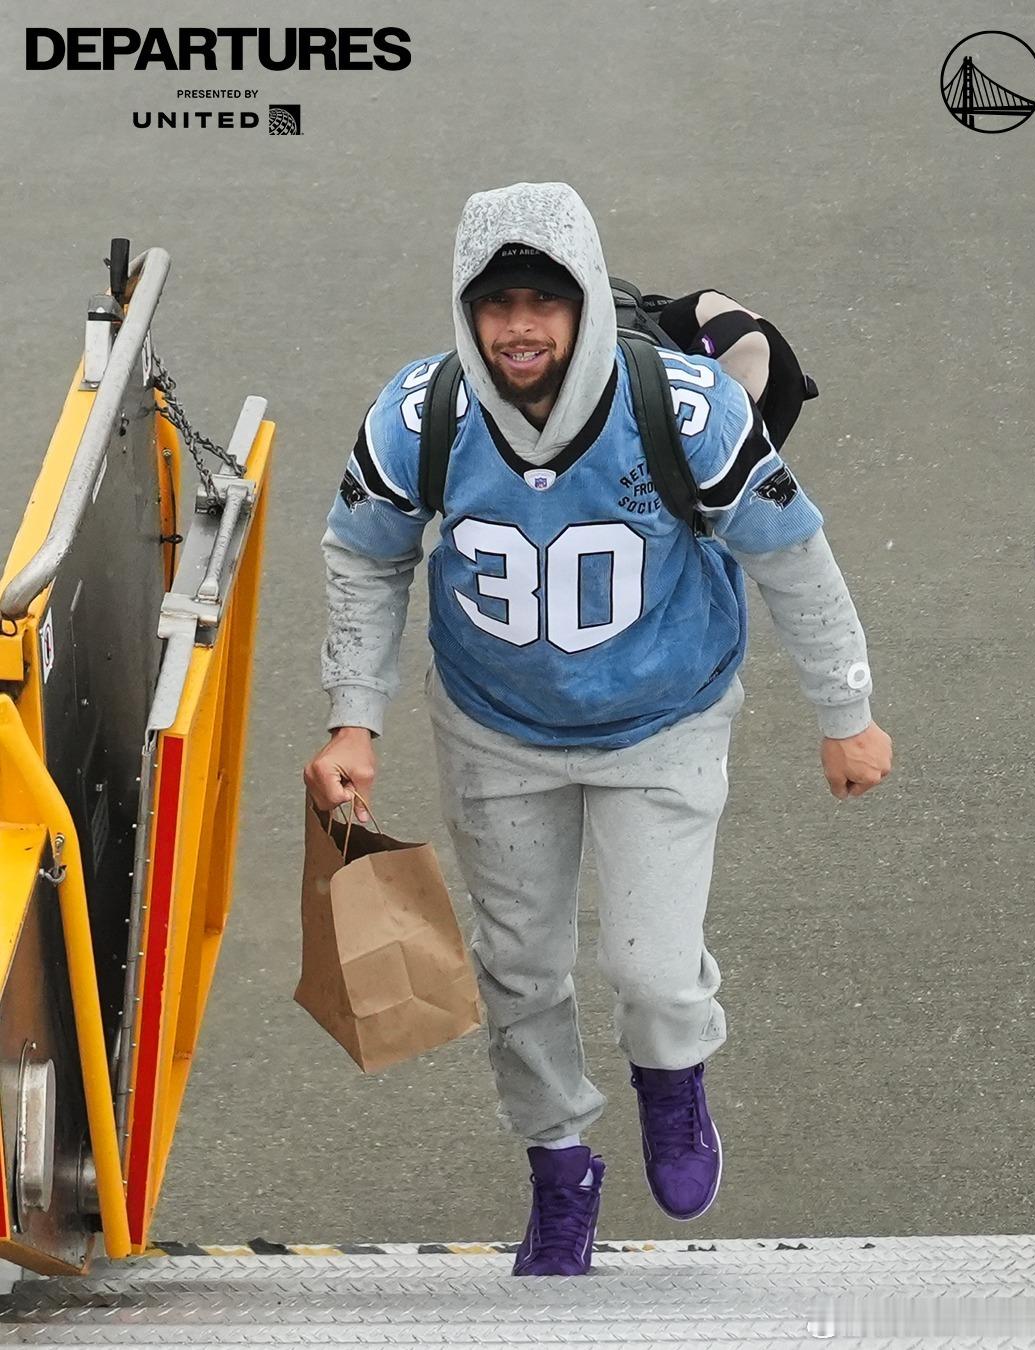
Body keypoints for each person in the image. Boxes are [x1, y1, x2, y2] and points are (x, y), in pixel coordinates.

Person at [304, 181, 893, 1277]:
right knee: (519, 970)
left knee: (654, 969)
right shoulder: (421, 412)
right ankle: (559, 1167)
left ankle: (673, 1084)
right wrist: (355, 719)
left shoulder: (685, 408)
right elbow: (365, 554)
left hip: (662, 721)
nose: (519, 327)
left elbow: (790, 552)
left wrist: (845, 711)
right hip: (495, 729)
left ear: (581, 301)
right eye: (495, 304)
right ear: (465, 311)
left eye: (543, 300)